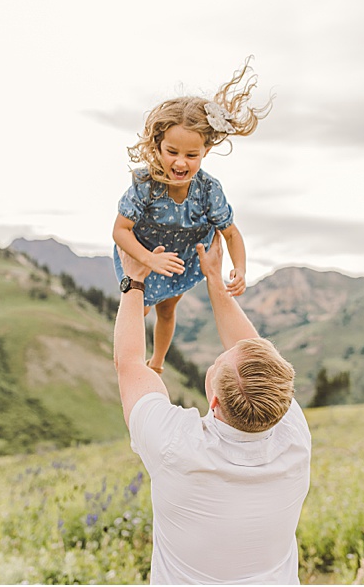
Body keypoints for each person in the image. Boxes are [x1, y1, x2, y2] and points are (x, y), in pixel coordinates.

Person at [113, 233, 311, 584]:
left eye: (219, 363)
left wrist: (134, 279)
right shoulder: (293, 435)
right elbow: (250, 348)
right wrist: (214, 280)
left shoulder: (175, 444)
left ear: (214, 400)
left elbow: (130, 365)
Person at [112, 56, 273, 374]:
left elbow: (230, 233)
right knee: (138, 307)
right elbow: (120, 230)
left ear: (206, 152)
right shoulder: (145, 184)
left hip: (183, 259)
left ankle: (156, 362)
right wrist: (148, 260)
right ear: (157, 147)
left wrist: (239, 267)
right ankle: (128, 364)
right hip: (145, 253)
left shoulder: (208, 189)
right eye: (172, 152)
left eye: (191, 154)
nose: (181, 162)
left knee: (168, 310)